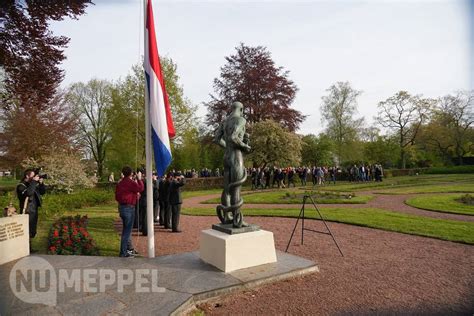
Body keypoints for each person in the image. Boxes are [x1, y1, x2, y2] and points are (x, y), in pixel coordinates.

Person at [115, 166, 144, 258]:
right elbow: (141, 188)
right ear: (131, 173)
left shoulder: (120, 183)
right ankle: (123, 252)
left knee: (126, 230)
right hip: (129, 208)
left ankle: (129, 249)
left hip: (122, 207)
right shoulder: (130, 183)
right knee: (126, 232)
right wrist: (139, 179)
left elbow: (117, 196)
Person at [16, 169, 46, 246]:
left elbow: (42, 192)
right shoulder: (21, 186)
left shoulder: (32, 184)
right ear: (27, 176)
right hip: (27, 211)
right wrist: (34, 182)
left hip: (33, 210)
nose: (34, 177)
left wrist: (41, 183)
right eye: (33, 176)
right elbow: (29, 193)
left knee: (32, 230)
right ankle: (25, 248)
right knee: (27, 230)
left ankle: (29, 247)